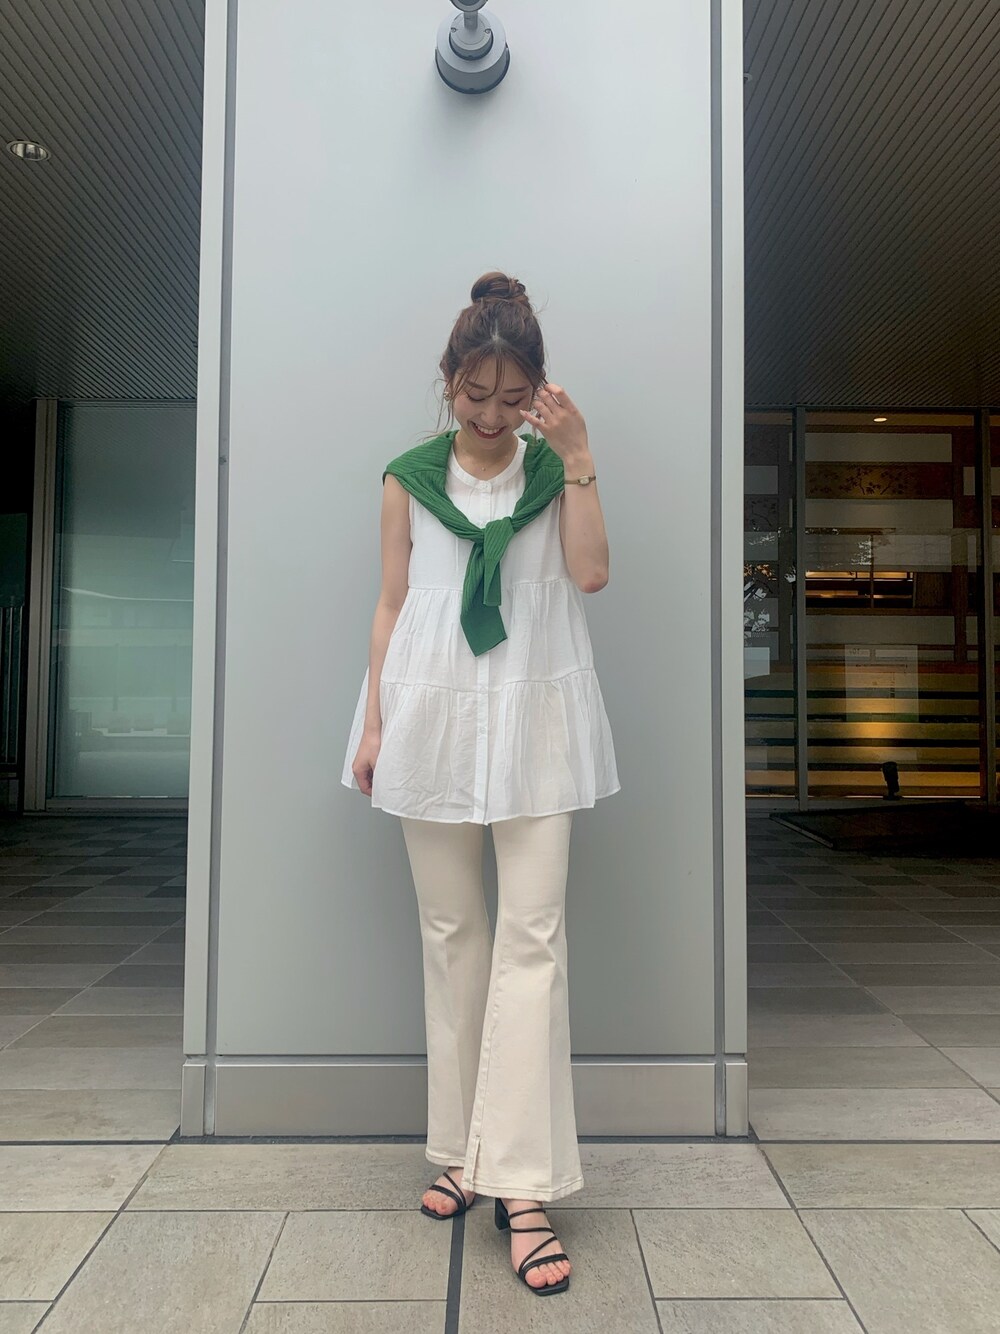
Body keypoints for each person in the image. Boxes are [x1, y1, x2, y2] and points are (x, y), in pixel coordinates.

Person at [342, 270, 619, 1295]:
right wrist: (375, 723)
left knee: (532, 941)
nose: (493, 416)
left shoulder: (555, 470)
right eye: (475, 396)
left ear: (537, 390)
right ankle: (464, 1152)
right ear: (449, 381)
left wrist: (579, 456)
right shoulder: (407, 477)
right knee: (453, 935)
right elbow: (391, 604)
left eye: (512, 398)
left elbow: (590, 574)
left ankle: (523, 1185)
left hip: (537, 720)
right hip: (431, 716)